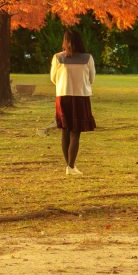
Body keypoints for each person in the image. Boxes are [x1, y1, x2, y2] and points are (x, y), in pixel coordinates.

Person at [49, 29, 96, 174]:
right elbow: (91, 78)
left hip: (63, 96)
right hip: (80, 97)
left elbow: (53, 78)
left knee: (65, 130)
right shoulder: (88, 58)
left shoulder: (57, 58)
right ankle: (70, 166)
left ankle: (69, 165)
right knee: (75, 132)